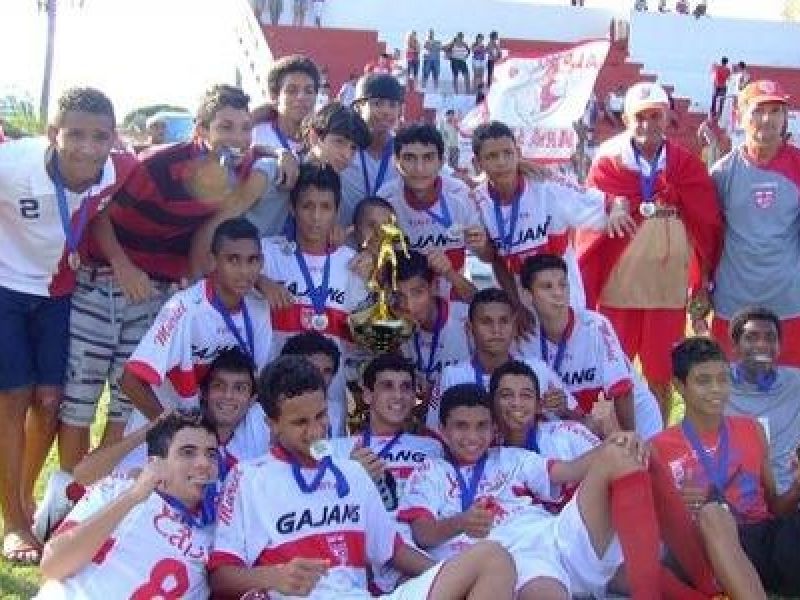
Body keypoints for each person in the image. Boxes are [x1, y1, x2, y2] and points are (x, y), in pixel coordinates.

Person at [55, 84, 265, 503]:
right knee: (81, 398)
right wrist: (121, 264)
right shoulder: (158, 165)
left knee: (123, 404)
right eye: (225, 127)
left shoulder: (237, 167)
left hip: (154, 292)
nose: (237, 137)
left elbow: (262, 156)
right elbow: (101, 214)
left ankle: (100, 494)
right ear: (200, 129)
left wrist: (279, 155)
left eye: (245, 128)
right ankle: (66, 498)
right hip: (106, 281)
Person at [209, 355, 518, 599]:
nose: (315, 431)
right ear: (272, 424)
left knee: (494, 559)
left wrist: (451, 575)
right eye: (300, 422)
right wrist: (273, 577)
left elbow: (394, 552)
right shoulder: (248, 478)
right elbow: (221, 578)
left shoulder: (352, 471)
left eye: (320, 416)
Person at [400, 383, 721, 600]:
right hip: (509, 564)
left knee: (623, 453)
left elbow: (569, 471)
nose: (472, 436)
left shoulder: (512, 458)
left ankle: (703, 582)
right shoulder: (430, 472)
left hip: (555, 536)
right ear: (443, 431)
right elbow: (422, 533)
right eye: (461, 426)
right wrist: (460, 522)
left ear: (494, 429)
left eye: (481, 426)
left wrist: (616, 440)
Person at [0, 87, 135, 563]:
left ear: (114, 138)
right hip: (5, 289)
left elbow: (97, 211)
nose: (87, 148)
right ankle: (15, 523)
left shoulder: (120, 168)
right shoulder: (12, 165)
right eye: (74, 134)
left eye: (100, 136)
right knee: (13, 399)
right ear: (52, 133)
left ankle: (22, 497)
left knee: (49, 402)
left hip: (57, 293)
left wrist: (273, 149)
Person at [578, 81, 722, 423]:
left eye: (655, 116)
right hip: (619, 289)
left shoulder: (686, 166)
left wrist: (701, 280)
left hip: (666, 291)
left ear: (668, 117)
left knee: (662, 373)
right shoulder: (609, 165)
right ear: (627, 119)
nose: (648, 124)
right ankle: (614, 438)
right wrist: (610, 204)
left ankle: (658, 439)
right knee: (612, 373)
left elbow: (706, 222)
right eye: (640, 117)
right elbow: (587, 221)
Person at [35, 347, 266, 543]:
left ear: (252, 399)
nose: (228, 396)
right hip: (119, 521)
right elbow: (83, 474)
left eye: (240, 388)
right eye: (219, 386)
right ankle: (62, 501)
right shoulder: (177, 429)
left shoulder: (252, 441)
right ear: (203, 393)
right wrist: (151, 429)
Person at [652, 337, 800, 596]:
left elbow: (775, 508)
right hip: (706, 546)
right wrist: (675, 504)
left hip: (762, 539)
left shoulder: (752, 430)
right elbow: (654, 525)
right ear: (679, 386)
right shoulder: (657, 447)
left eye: (723, 379)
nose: (716, 389)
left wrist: (797, 488)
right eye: (703, 381)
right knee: (712, 515)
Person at [119, 218, 272, 449]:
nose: (244, 271)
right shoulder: (184, 308)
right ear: (213, 261)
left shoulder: (259, 310)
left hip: (222, 434)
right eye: (233, 260)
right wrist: (171, 431)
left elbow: (256, 383)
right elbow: (130, 381)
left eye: (252, 260)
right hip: (167, 435)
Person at [36, 412, 218, 599]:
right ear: (154, 463)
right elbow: (53, 565)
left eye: (211, 454)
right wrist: (133, 496)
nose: (204, 463)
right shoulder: (117, 489)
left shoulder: (213, 537)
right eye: (188, 452)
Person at [470, 121, 632, 317]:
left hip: (562, 300)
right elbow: (492, 258)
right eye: (492, 156)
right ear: (478, 162)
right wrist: (516, 305)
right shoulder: (476, 202)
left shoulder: (547, 185)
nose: (502, 162)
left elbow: (609, 202)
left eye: (508, 153)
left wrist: (617, 209)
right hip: (518, 309)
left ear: (518, 153)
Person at [261, 164, 369, 435]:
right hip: (274, 398)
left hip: (329, 403)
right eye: (307, 206)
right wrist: (259, 281)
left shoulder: (352, 264)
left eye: (325, 207)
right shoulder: (267, 255)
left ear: (337, 211)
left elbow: (362, 338)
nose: (316, 217)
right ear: (292, 208)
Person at [518, 254, 663, 438]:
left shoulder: (595, 326)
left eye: (563, 285)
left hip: (633, 415)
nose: (558, 293)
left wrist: (630, 438)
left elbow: (622, 390)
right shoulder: (524, 337)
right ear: (527, 295)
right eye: (547, 287)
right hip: (578, 425)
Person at [709, 80, 800, 367]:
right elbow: (708, 236)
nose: (767, 119)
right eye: (759, 110)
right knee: (730, 384)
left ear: (785, 118)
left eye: (775, 111)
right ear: (740, 115)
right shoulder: (722, 173)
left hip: (788, 302)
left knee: (789, 384)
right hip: (733, 302)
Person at [429, 287, 577, 430]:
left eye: (504, 321)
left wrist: (565, 411)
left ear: (514, 326)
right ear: (469, 328)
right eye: (486, 322)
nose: (496, 330)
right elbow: (433, 432)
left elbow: (582, 421)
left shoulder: (539, 370)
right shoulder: (452, 376)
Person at [382, 124, 488, 302]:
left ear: (441, 162)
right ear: (396, 162)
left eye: (428, 157)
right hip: (405, 307)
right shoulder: (385, 200)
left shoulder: (461, 194)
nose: (419, 168)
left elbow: (486, 257)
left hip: (453, 302)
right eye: (409, 158)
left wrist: (482, 246)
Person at [246, 101, 370, 238]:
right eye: (339, 142)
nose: (347, 155)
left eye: (353, 148)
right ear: (314, 137)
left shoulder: (337, 185)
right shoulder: (275, 170)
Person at [724, 306, 800, 499]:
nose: (762, 345)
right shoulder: (716, 383)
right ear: (735, 346)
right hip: (732, 499)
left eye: (770, 338)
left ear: (779, 347)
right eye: (751, 337)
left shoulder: (795, 383)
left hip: (787, 495)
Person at [395, 251, 472, 405]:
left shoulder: (465, 319)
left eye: (417, 293)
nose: (409, 305)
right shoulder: (395, 327)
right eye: (400, 296)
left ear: (434, 286)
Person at [340, 73, 404, 227]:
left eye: (393, 105)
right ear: (358, 107)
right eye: (377, 103)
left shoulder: (406, 151)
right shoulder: (342, 149)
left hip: (390, 239)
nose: (386, 111)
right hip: (344, 239)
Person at [252, 55, 320, 157]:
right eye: (291, 90)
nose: (301, 97)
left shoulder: (324, 142)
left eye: (309, 91)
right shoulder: (255, 134)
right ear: (274, 96)